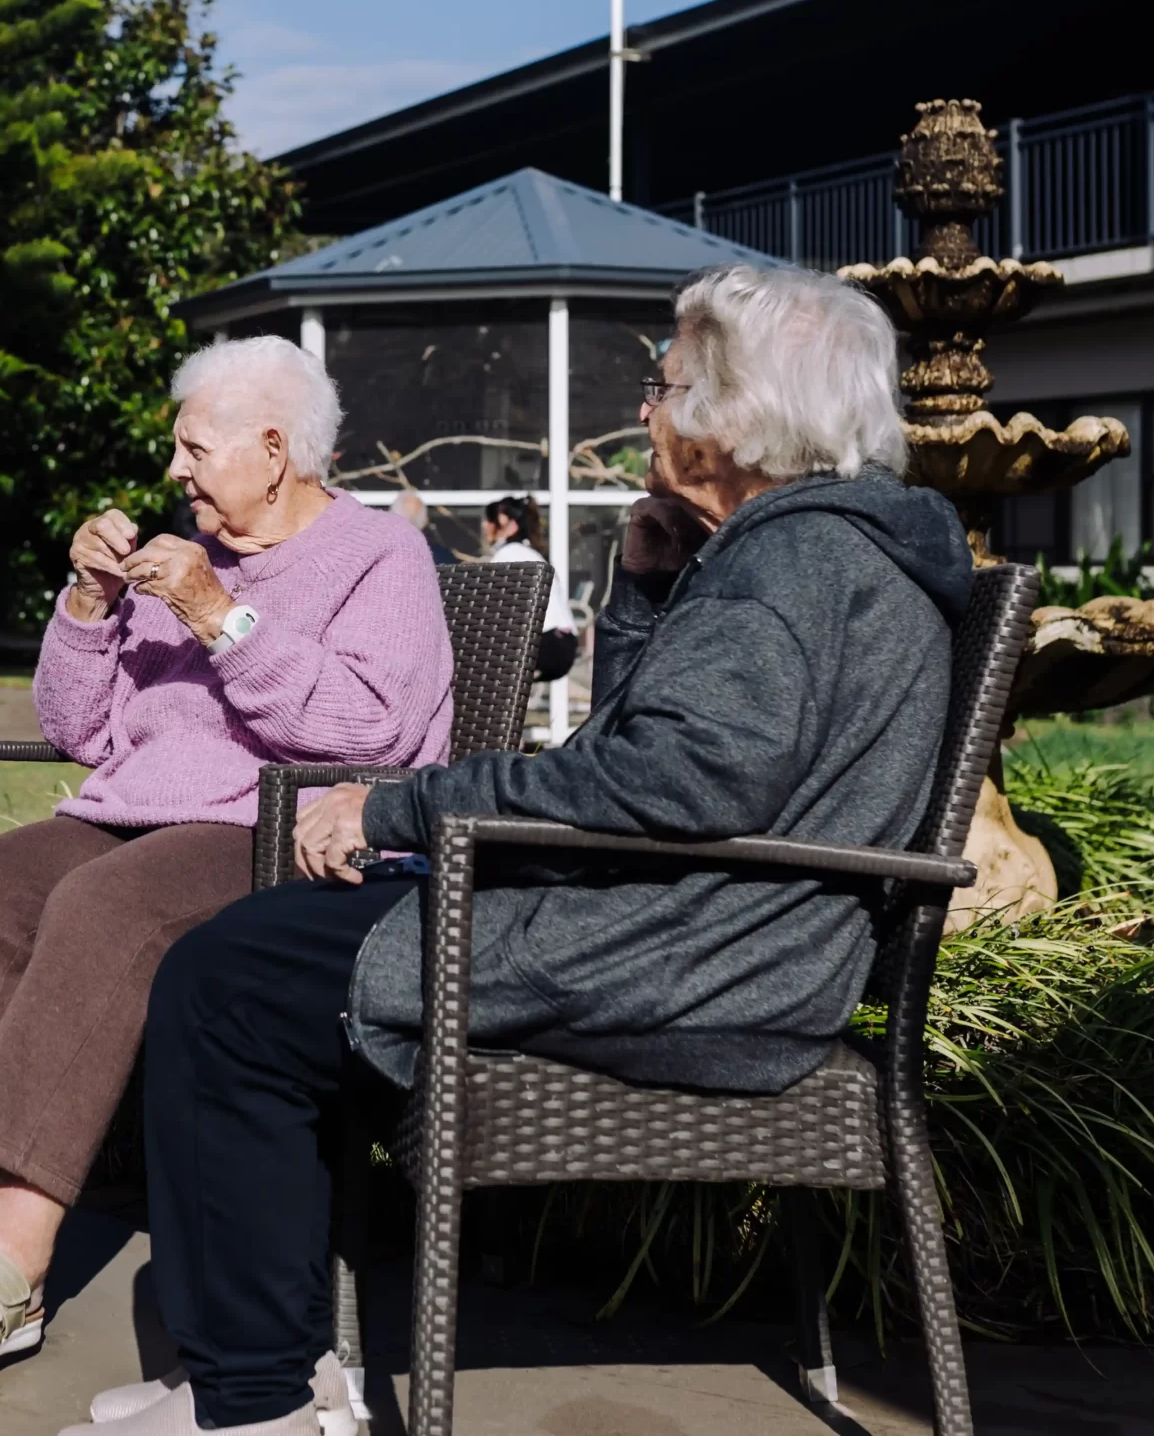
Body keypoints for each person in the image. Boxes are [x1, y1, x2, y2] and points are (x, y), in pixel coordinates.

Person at [73, 264, 973, 1435]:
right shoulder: (825, 549)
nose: (644, 411)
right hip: (717, 933)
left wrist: (392, 810)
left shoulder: (793, 564)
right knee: (263, 954)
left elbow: (669, 779)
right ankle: (271, 1368)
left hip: (687, 961)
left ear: (738, 417)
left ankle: (254, 1399)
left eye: (665, 385)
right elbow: (676, 751)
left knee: (227, 978)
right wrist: (647, 589)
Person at [0, 336, 455, 1377]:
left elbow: (372, 732)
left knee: (107, 907)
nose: (175, 471)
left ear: (273, 451)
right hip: (126, 816)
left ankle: (17, 1252)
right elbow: (78, 729)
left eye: (194, 449)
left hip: (270, 832)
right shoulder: (185, 555)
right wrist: (86, 605)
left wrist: (221, 619)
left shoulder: (377, 558)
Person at [479, 494, 581, 681]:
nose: (486, 525)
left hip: (544, 644)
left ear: (510, 526)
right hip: (564, 644)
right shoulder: (530, 554)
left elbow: (490, 607)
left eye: (492, 520)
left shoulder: (507, 554)